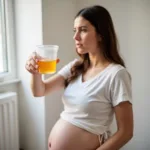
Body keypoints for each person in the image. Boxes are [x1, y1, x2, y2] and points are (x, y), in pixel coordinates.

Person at [25, 5, 133, 150]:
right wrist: (35, 72)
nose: (75, 37)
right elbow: (40, 91)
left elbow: (125, 132)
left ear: (101, 35)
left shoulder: (116, 74)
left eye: (83, 30)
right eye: (74, 30)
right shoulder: (75, 66)